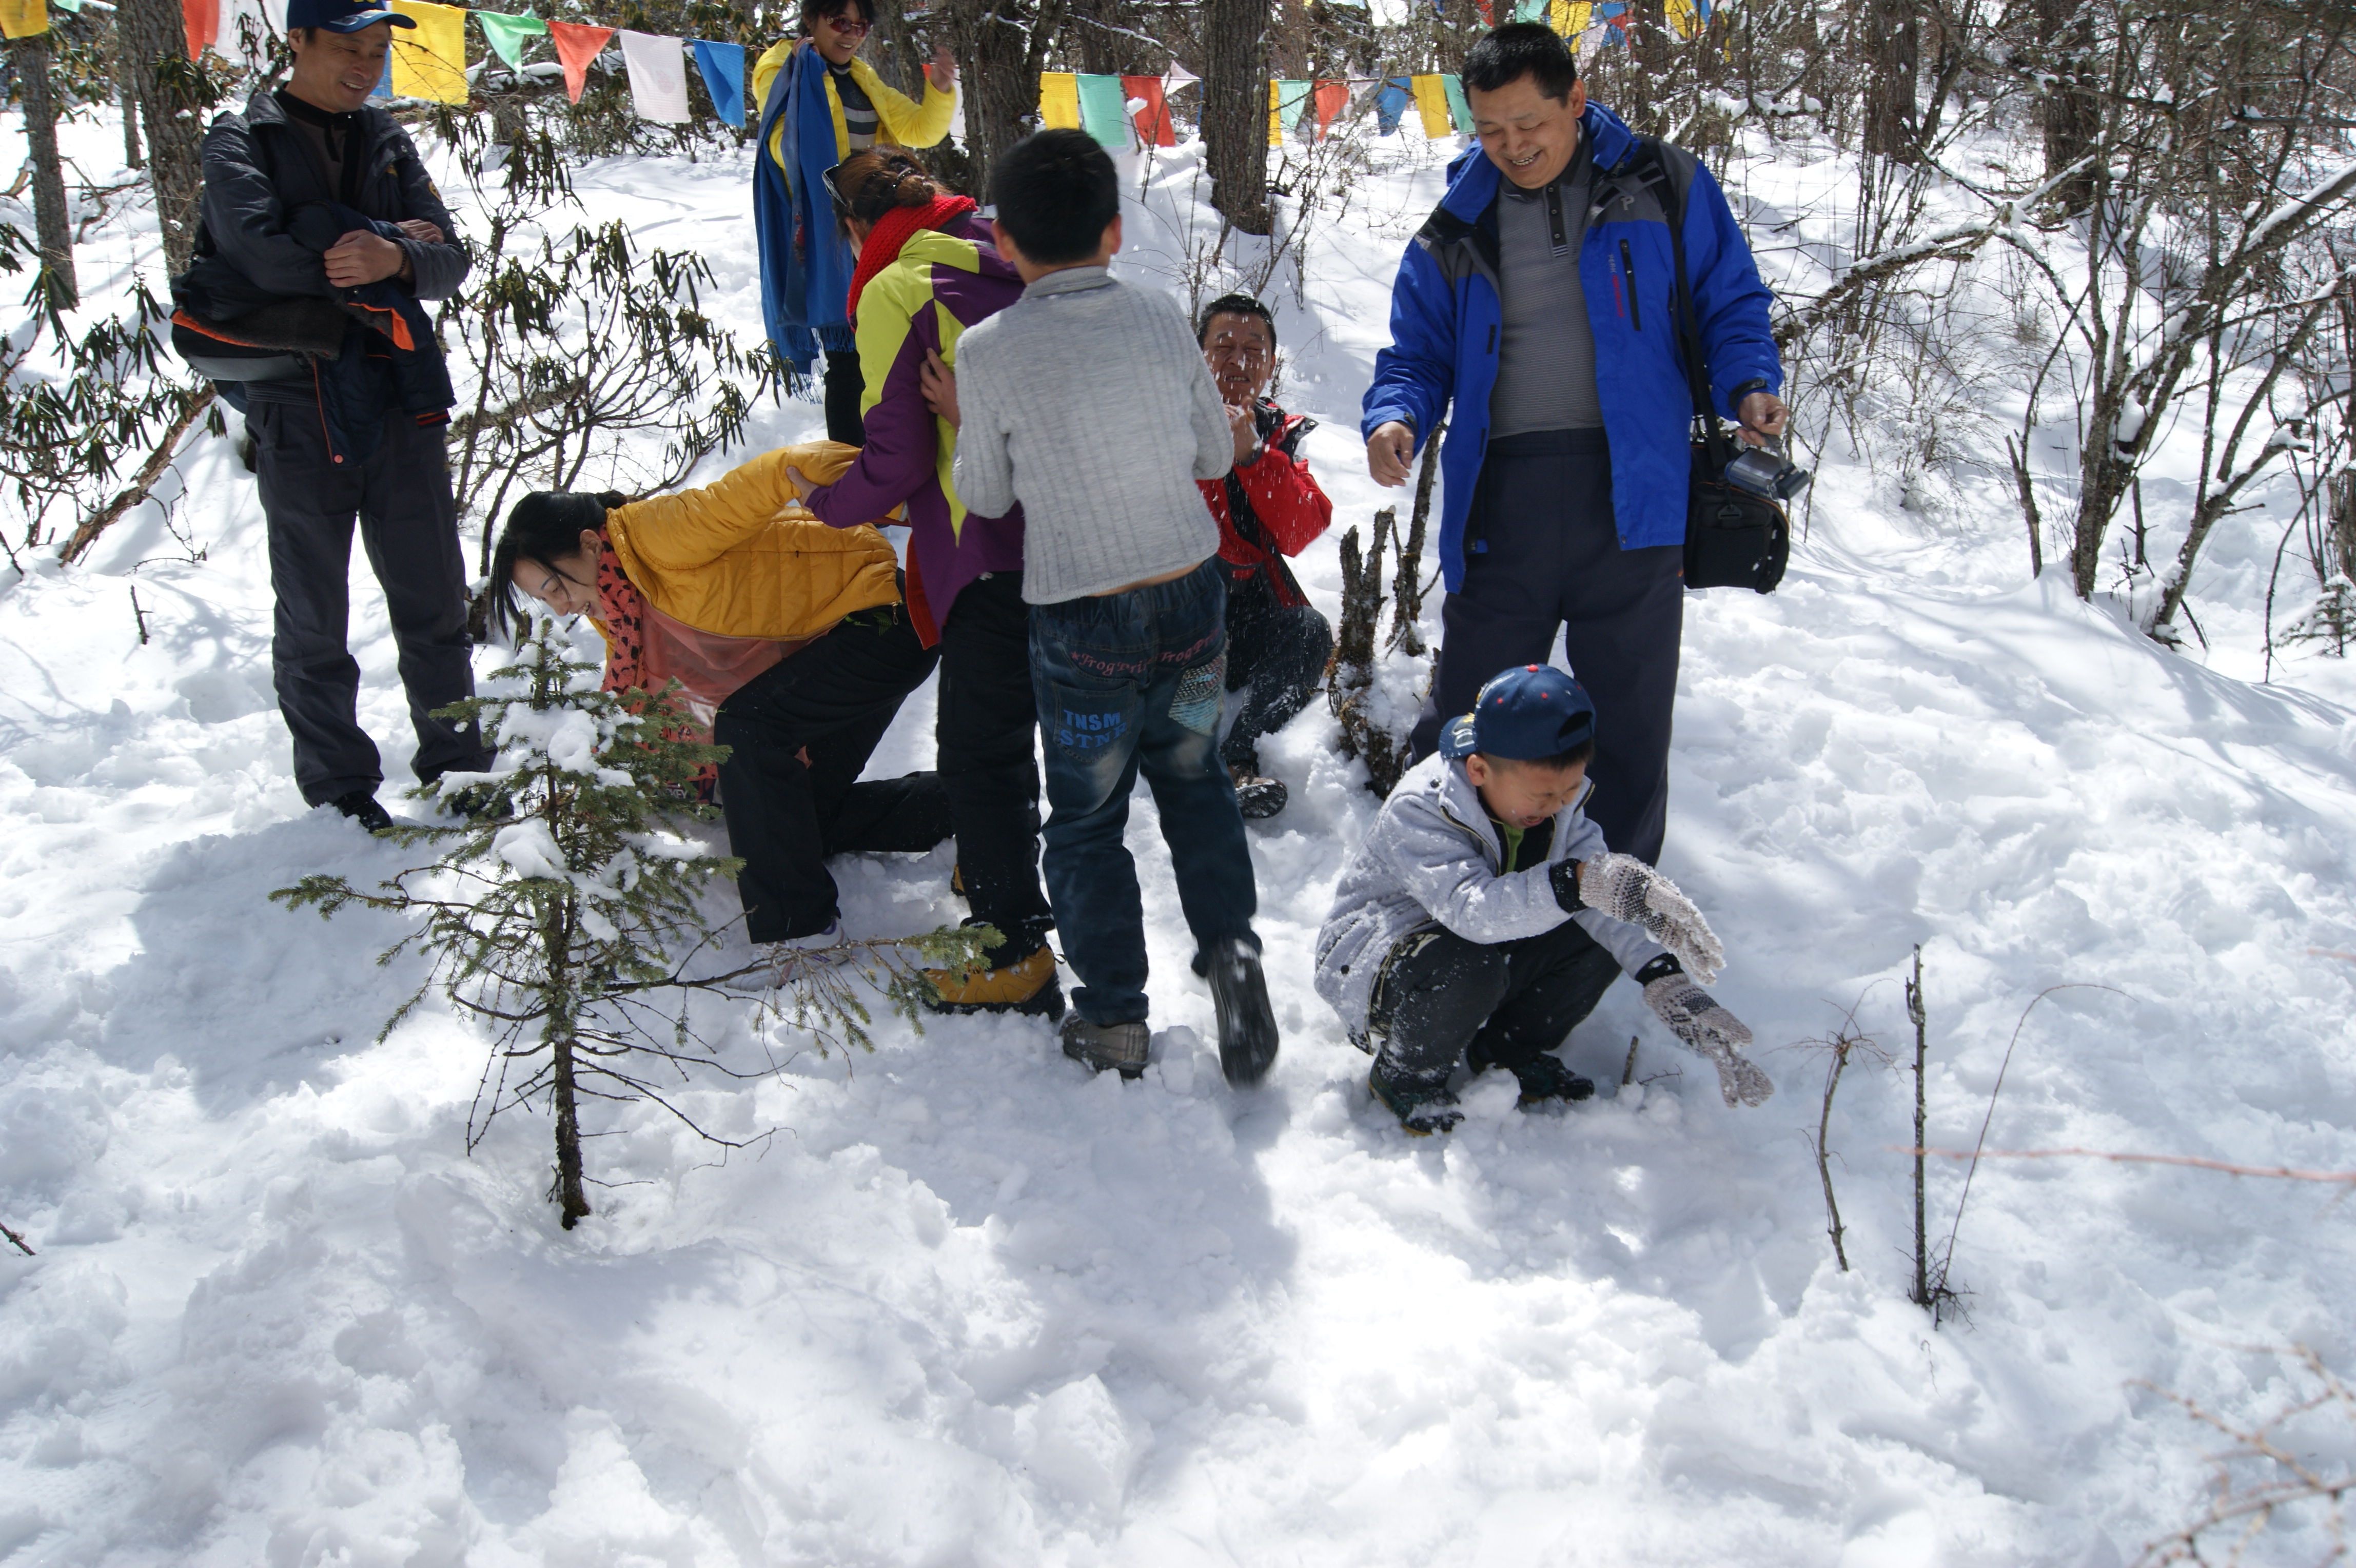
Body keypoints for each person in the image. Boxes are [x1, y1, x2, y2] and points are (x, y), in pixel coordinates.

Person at [1361, 22, 1789, 867]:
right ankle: (1439, 883)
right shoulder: (1457, 220)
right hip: (1503, 499)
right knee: (1471, 714)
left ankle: (1615, 901)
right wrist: (1395, 415)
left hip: (1636, 493)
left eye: (1529, 125)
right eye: (1490, 130)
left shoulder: (1663, 185)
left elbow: (1728, 301)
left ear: (1577, 100)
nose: (1511, 147)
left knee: (1627, 721)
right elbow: (1414, 352)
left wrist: (1748, 383)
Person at [931, 129, 1280, 1087]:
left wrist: (971, 423)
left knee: (1085, 824)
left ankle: (1117, 1020)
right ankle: (1234, 954)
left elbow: (990, 498)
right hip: (1190, 600)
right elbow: (1215, 457)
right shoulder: (1163, 315)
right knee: (1196, 779)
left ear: (1004, 244)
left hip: (1082, 623)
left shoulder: (987, 348)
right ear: (1115, 233)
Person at [171, 0, 489, 833]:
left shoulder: (387, 137)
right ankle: (339, 785)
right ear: (298, 41)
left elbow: (449, 257)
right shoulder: (243, 139)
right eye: (348, 45)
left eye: (378, 48)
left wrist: (392, 254)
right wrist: (388, 241)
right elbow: (260, 251)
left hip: (399, 393)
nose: (364, 63)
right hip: (298, 396)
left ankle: (459, 766)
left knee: (434, 596)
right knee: (313, 607)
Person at [489, 444, 951, 984]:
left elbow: (776, 472)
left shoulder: (656, 534)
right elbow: (673, 691)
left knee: (748, 731)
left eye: (554, 586)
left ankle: (801, 933)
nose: (561, 606)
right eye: (545, 600)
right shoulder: (616, 599)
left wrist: (903, 479)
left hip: (882, 620)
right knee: (789, 824)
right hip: (828, 645)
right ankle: (968, 805)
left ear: (589, 544)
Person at [794, 147, 1061, 1018]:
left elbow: (898, 454)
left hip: (982, 544)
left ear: (853, 228)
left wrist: (827, 503)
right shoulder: (1017, 247)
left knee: (979, 750)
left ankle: (1011, 949)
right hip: (1078, 534)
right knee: (1018, 726)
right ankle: (991, 859)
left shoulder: (896, 289)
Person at [1314, 664, 1773, 1134]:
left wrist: (1662, 974)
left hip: (1475, 946)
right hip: (1379, 960)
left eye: (1572, 789)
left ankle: (1506, 1051)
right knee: (1472, 963)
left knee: (1594, 926)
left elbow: (1595, 896)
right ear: (1479, 770)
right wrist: (1577, 883)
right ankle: (1406, 1074)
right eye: (1544, 794)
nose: (1558, 805)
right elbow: (1471, 911)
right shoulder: (1423, 809)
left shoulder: (1554, 804)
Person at [753, 0, 957, 445]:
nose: (851, 34)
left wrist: (938, 90)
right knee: (848, 358)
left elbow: (919, 130)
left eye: (860, 25)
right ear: (811, 18)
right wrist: (840, 187)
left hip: (882, 224)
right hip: (830, 234)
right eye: (839, 22)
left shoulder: (863, 77)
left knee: (894, 346)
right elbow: (781, 145)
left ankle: (894, 460)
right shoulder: (781, 67)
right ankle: (850, 473)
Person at [1192, 293, 1335, 820]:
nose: (1238, 360)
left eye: (1254, 349)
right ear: (1197, 353)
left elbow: (1301, 529)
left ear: (1272, 364)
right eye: (1222, 345)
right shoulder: (1161, 420)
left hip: (1248, 609)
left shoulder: (1279, 433)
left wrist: (1252, 456)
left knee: (1309, 632)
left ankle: (1237, 759)